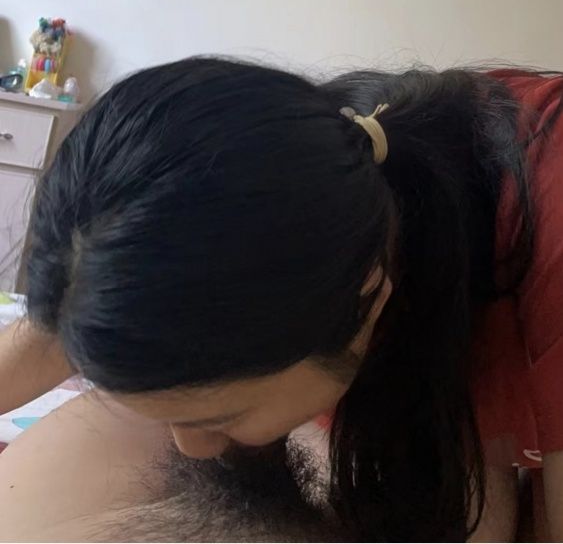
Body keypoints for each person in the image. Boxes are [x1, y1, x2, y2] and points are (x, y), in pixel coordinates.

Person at [1, 55, 562, 541]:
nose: (195, 447)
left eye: (221, 417)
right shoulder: (288, 178)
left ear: (367, 301)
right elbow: (55, 329)